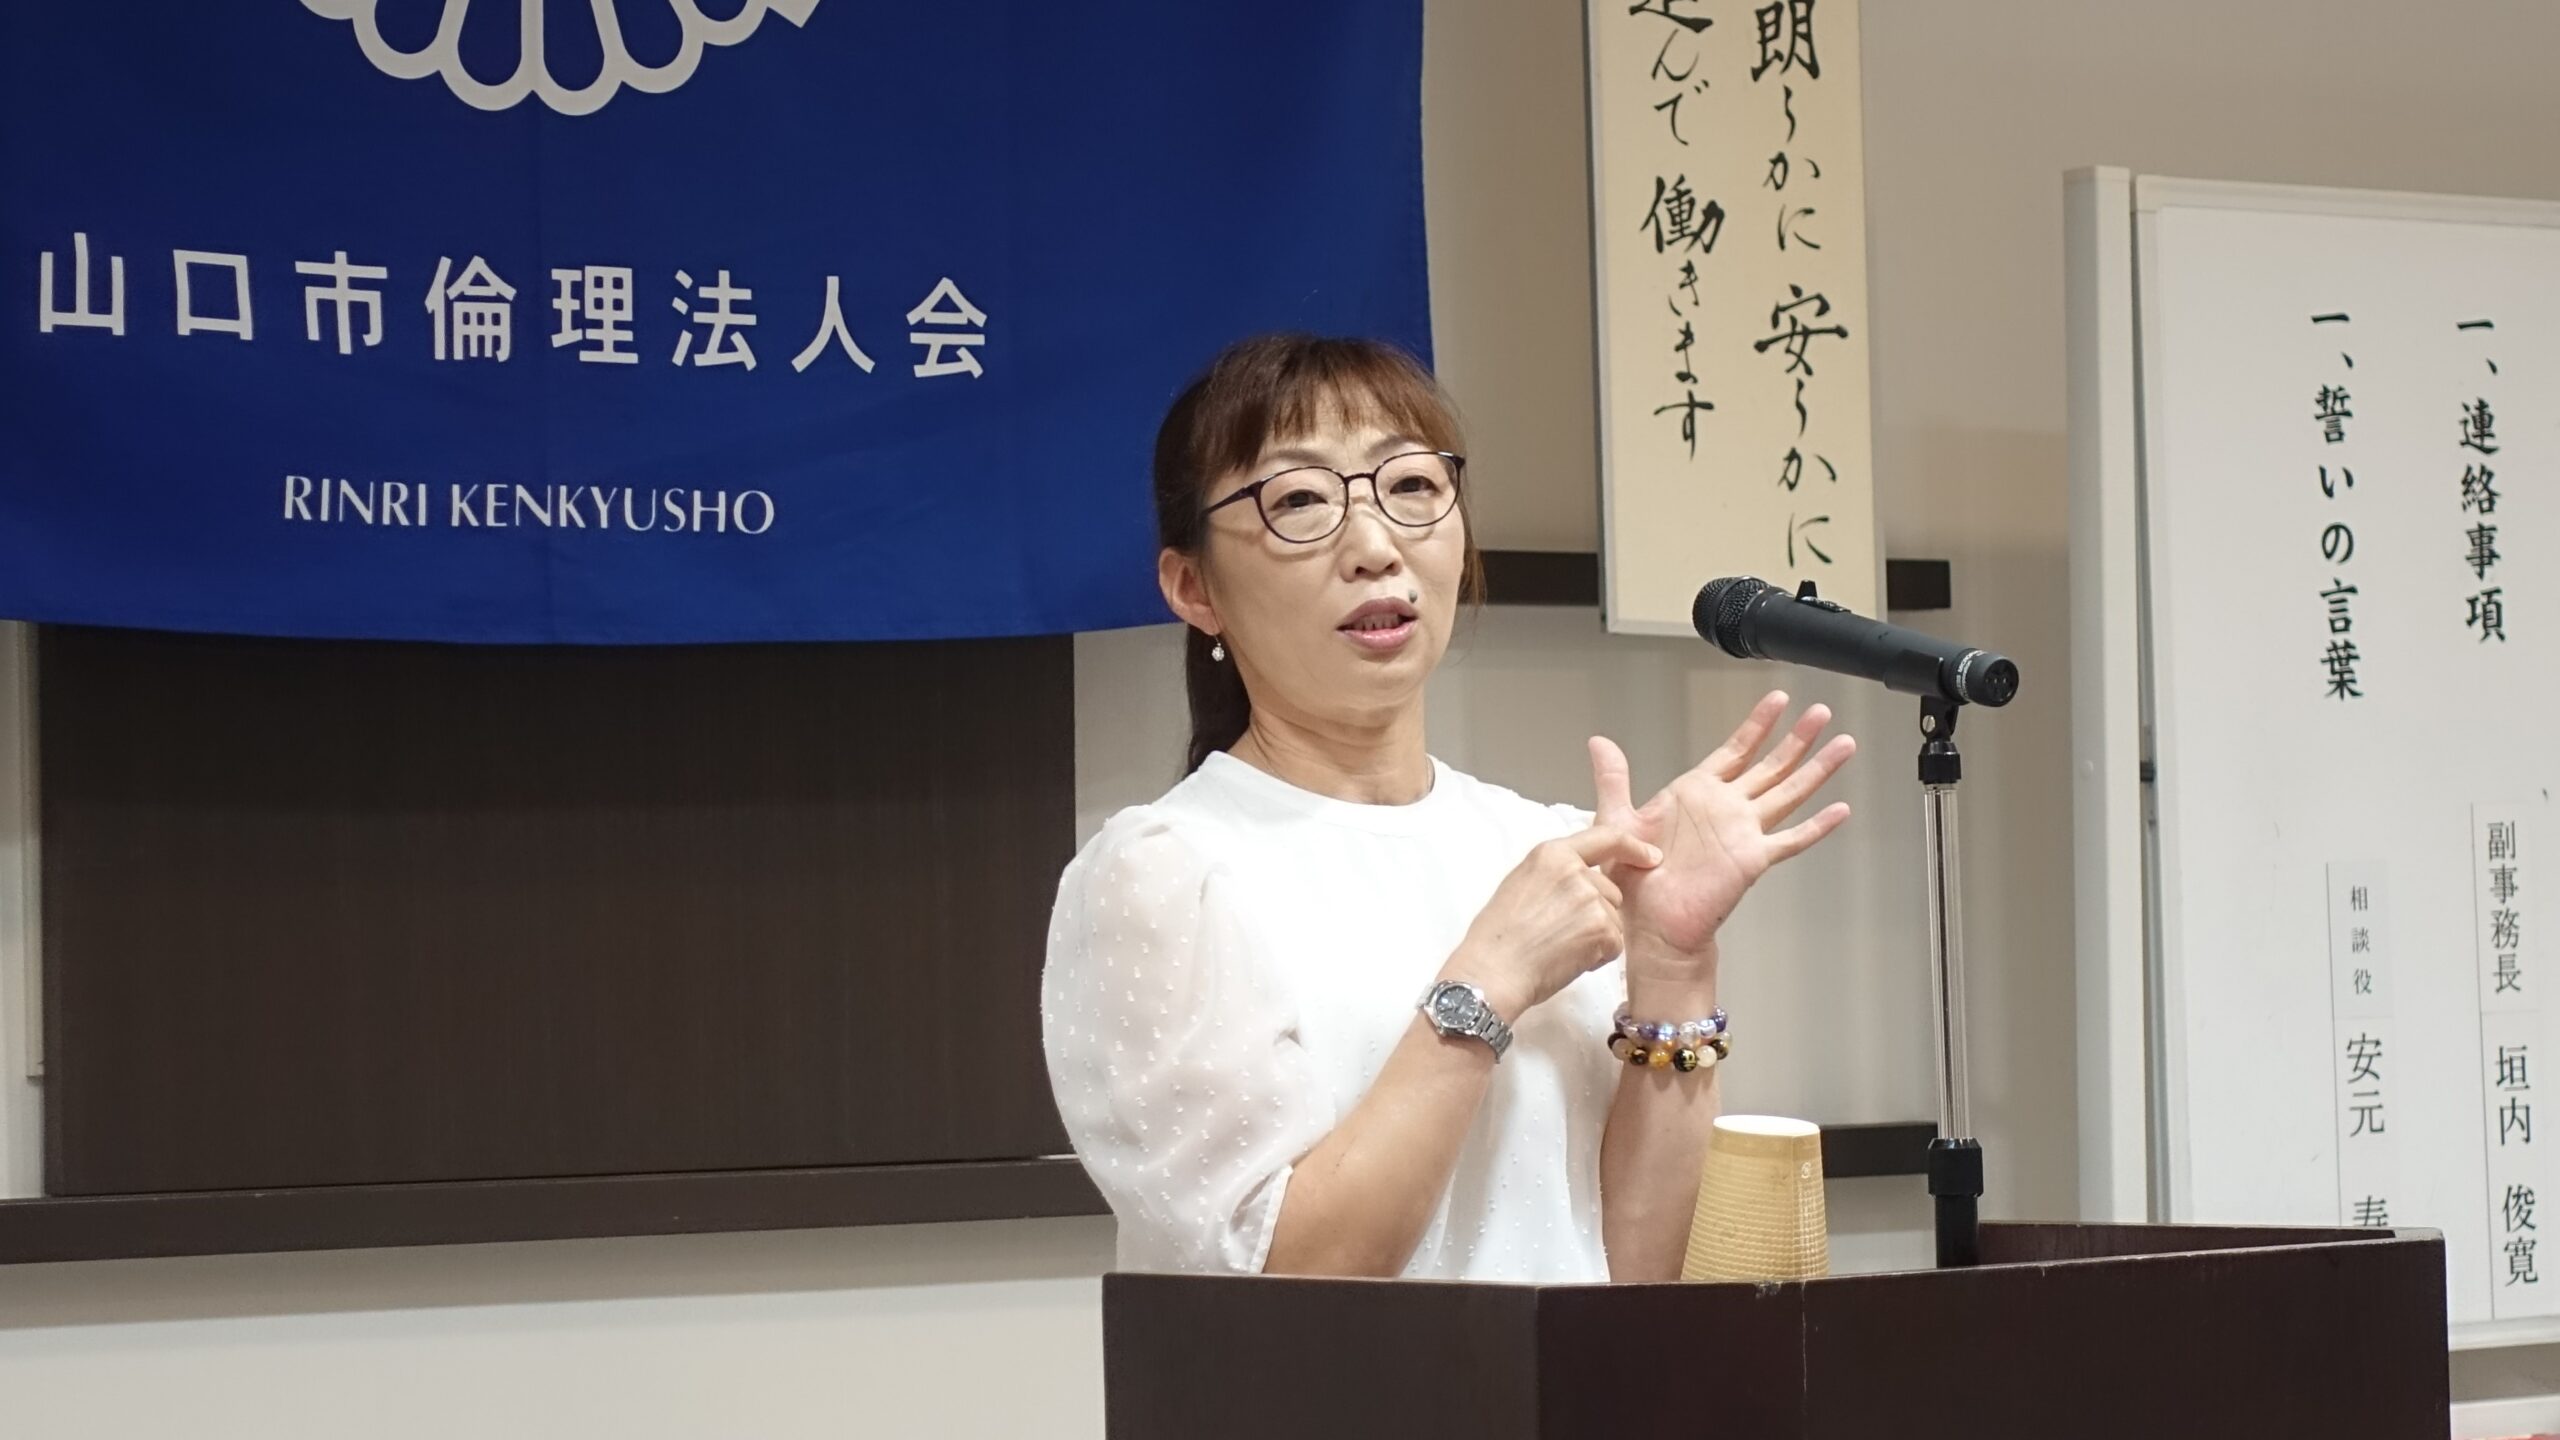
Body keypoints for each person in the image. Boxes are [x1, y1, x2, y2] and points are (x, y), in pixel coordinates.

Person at [1040, 334, 1854, 1283]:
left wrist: (1673, 968)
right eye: (1299, 501)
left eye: (1413, 486)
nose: (1374, 546)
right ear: (1194, 588)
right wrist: (1487, 980)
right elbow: (1283, 1278)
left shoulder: (1548, 845)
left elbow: (1641, 1275)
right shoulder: (1164, 872)